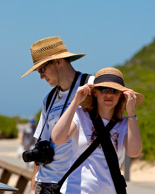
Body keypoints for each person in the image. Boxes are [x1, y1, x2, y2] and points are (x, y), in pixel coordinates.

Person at [51, 67, 144, 193]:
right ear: (94, 92)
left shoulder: (125, 123)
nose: (109, 94)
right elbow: (58, 138)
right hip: (76, 190)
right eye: (104, 89)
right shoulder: (80, 115)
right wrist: (76, 101)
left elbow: (134, 152)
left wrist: (131, 112)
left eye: (115, 90)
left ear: (121, 95)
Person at [21, 36, 94, 194]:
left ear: (58, 61)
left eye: (42, 69)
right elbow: (41, 143)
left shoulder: (92, 86)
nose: (41, 76)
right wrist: (33, 187)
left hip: (76, 183)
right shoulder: (49, 99)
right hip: (45, 182)